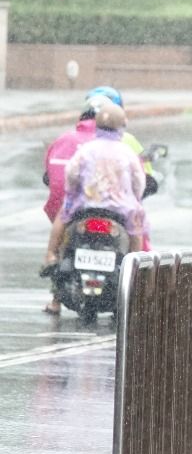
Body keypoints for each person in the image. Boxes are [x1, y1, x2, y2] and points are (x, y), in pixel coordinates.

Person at [43, 100, 148, 315]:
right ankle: (134, 273)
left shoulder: (86, 150)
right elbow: (139, 182)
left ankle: (51, 257)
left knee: (62, 220)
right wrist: (134, 198)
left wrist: (73, 194)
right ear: (122, 127)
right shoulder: (127, 152)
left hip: (85, 205)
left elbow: (71, 174)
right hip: (120, 211)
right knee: (137, 232)